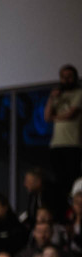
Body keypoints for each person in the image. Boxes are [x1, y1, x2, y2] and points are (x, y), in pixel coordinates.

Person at [44, 64, 81, 197]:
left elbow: (71, 114)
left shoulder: (79, 93)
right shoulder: (57, 96)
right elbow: (47, 117)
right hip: (56, 144)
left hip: (73, 143)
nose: (66, 80)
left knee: (72, 179)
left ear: (75, 78)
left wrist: (54, 117)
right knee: (59, 180)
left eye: (69, 77)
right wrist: (52, 98)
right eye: (63, 77)